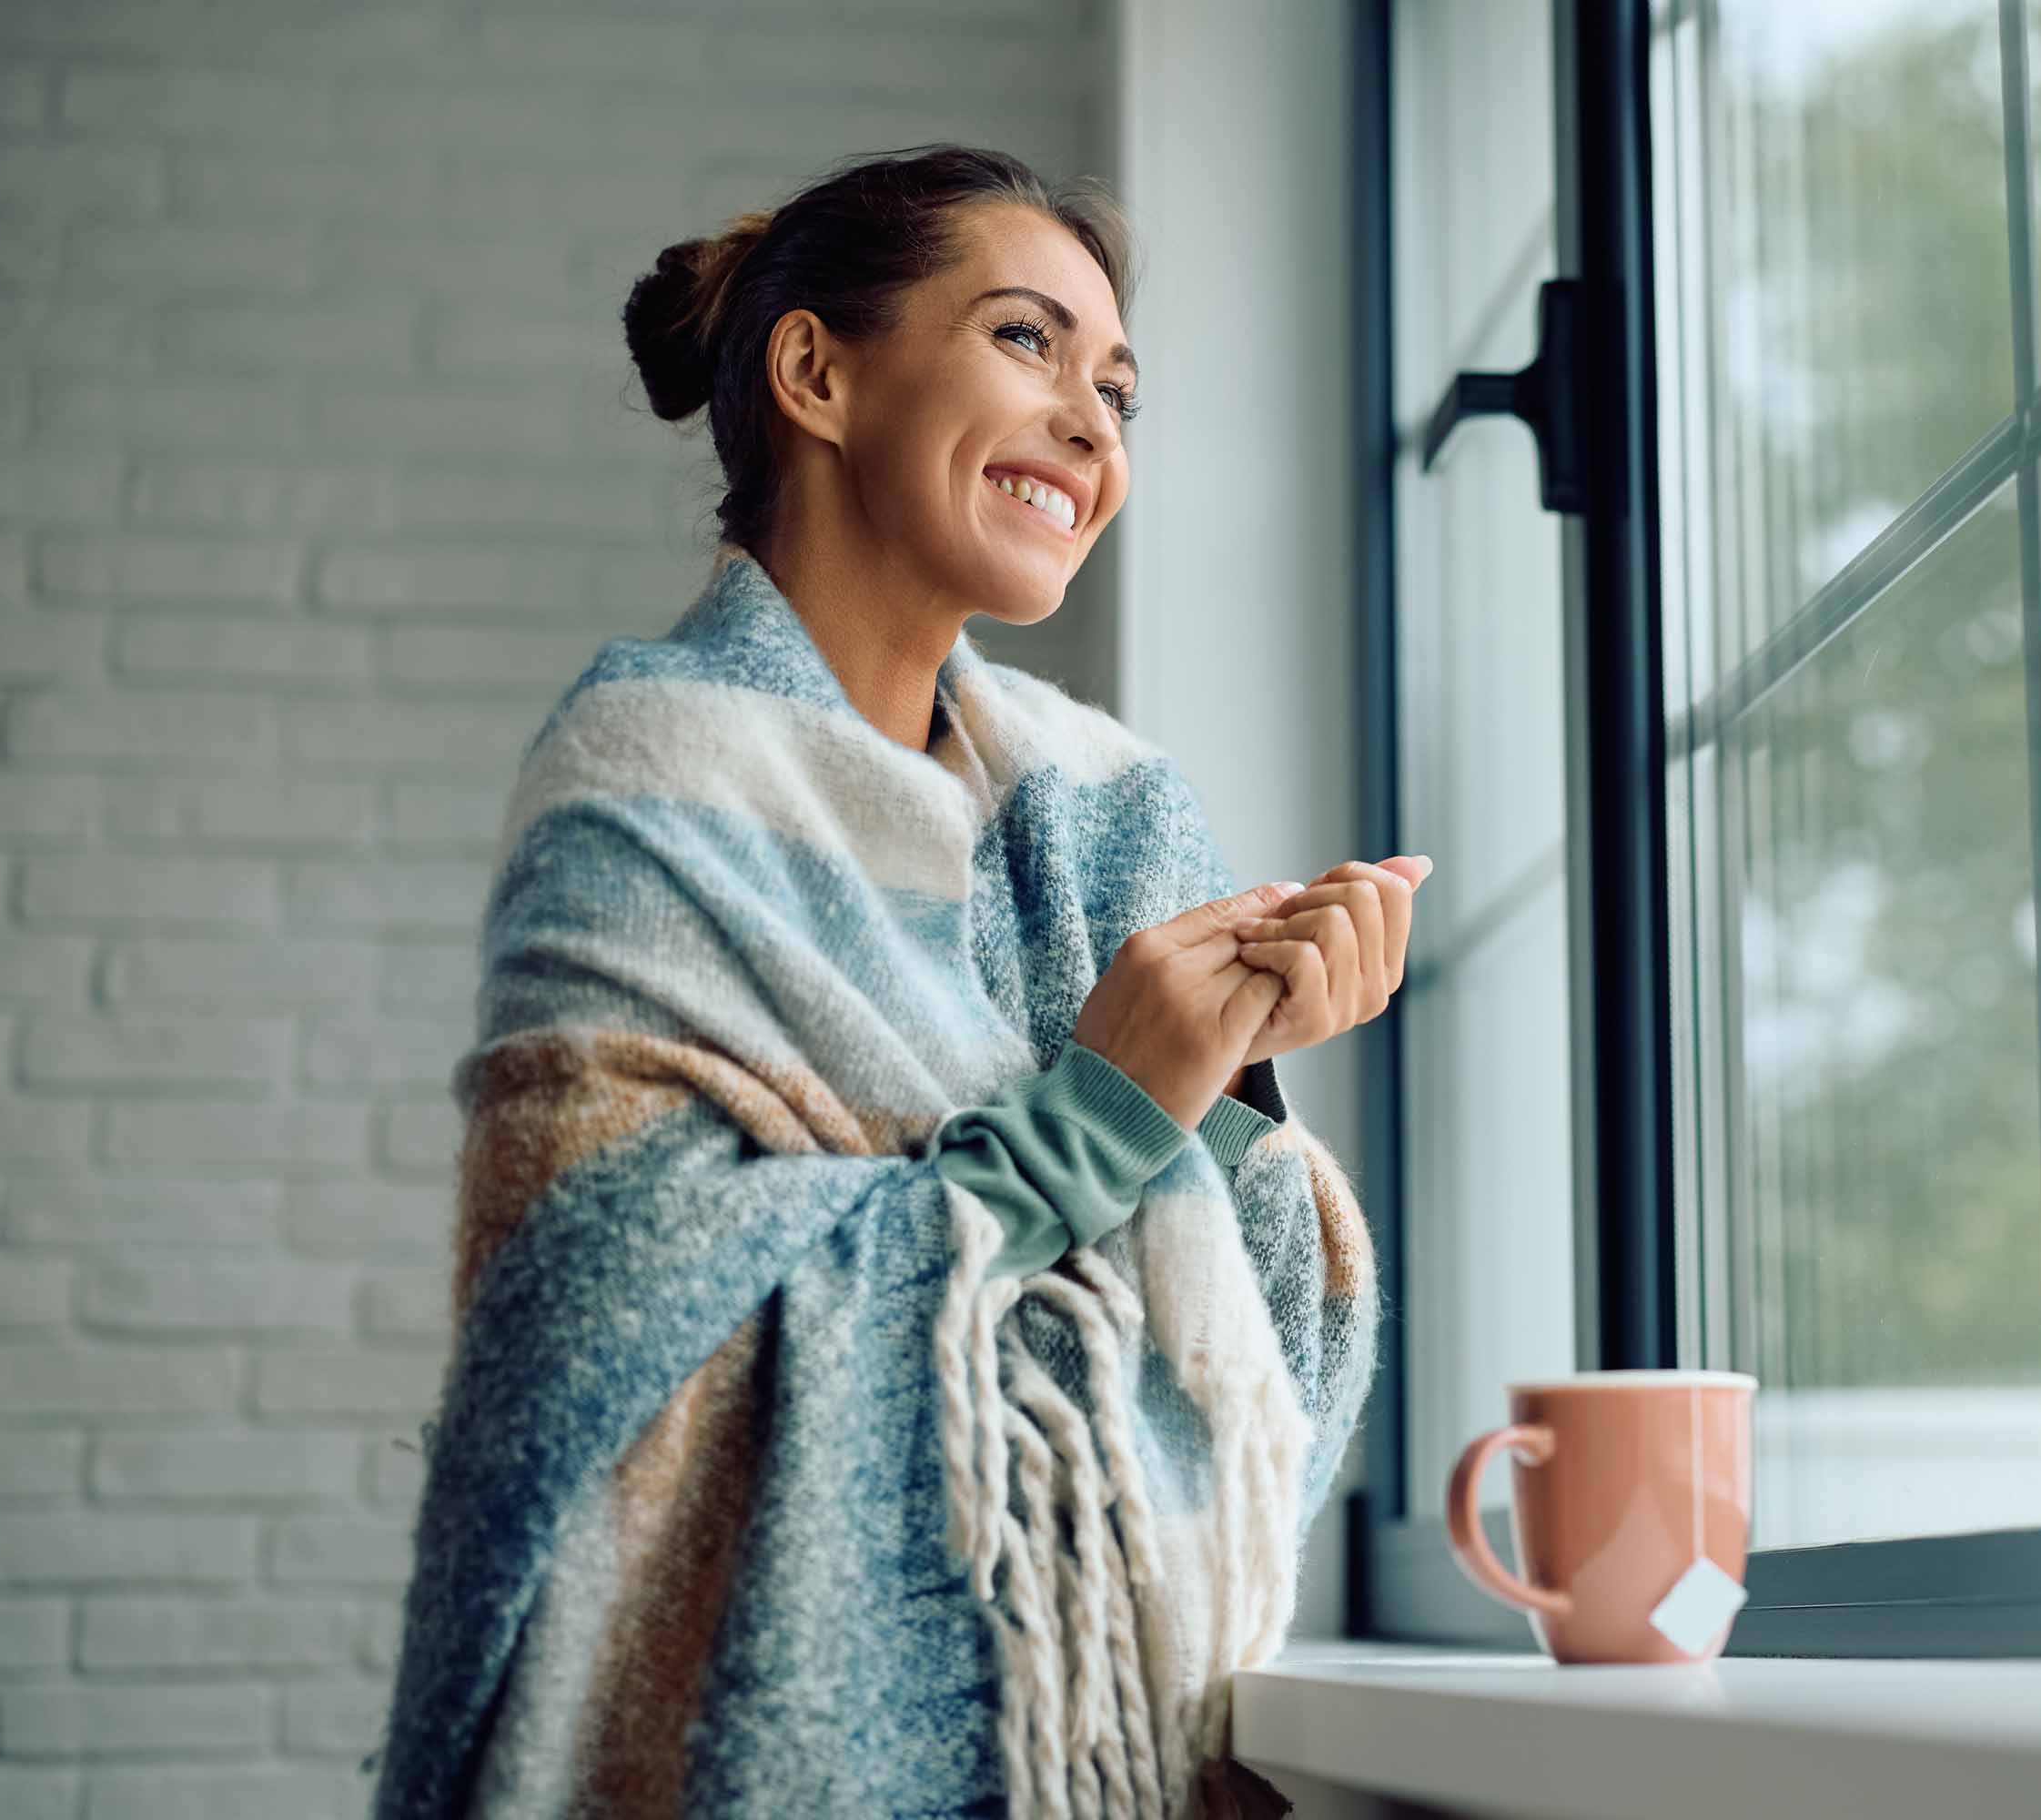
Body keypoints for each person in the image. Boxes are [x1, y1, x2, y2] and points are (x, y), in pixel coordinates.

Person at [369, 147, 1413, 1819]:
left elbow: (1244, 1375)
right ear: (816, 373)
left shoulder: (1116, 816)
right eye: (1026, 339)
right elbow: (600, 1345)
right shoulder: (653, 779)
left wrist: (1230, 1087)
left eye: (1119, 389)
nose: (1093, 425)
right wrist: (1098, 1116)